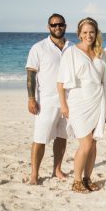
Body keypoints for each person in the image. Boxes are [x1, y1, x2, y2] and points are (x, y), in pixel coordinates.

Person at [57, 17, 106, 193]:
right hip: (79, 102)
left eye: (92, 32)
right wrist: (63, 105)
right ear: (79, 34)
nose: (89, 35)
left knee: (93, 143)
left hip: (98, 100)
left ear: (96, 33)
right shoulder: (71, 52)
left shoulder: (100, 53)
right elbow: (60, 82)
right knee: (86, 143)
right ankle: (76, 181)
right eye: (85, 32)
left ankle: (88, 178)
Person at [25, 13, 72, 184]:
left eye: (60, 24)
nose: (57, 27)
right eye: (53, 25)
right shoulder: (38, 48)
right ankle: (34, 174)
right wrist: (31, 98)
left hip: (68, 101)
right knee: (40, 138)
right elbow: (31, 75)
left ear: (65, 26)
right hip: (46, 101)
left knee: (62, 137)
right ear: (48, 27)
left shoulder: (72, 47)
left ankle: (56, 170)